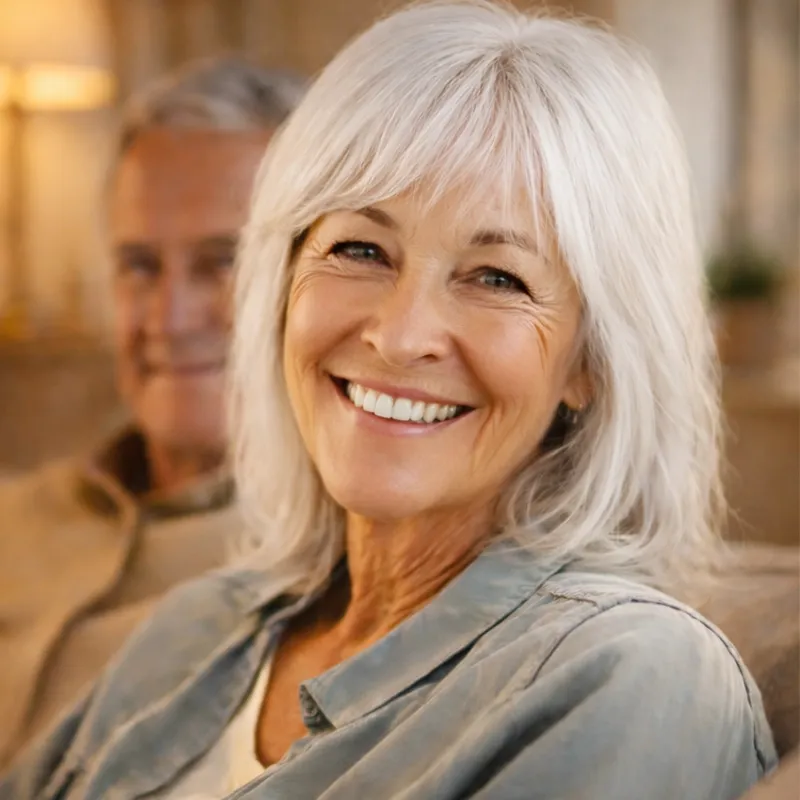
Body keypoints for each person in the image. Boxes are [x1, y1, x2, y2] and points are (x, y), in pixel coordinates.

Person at [1, 2, 778, 798]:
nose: (402, 335)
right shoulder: (202, 625)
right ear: (285, 287)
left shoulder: (635, 675)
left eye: (497, 277)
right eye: (360, 249)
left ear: (592, 361)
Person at [0, 58, 303, 767]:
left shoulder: (330, 573)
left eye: (220, 263)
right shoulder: (16, 513)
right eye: (139, 265)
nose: (168, 317)